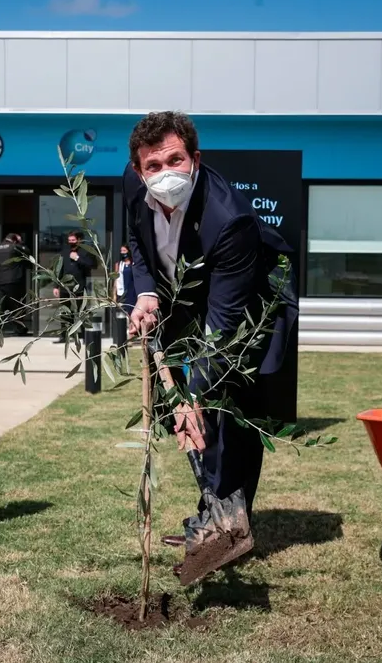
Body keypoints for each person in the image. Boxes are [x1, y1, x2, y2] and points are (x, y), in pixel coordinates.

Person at [122, 110, 299, 563]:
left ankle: (227, 526)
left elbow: (223, 322)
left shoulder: (228, 219)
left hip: (248, 306)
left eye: (175, 160)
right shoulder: (132, 184)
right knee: (192, 417)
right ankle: (213, 518)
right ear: (139, 170)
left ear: (195, 159)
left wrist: (194, 395)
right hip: (187, 302)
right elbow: (138, 243)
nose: (165, 173)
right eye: (153, 166)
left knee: (231, 410)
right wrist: (145, 292)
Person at [52, 230, 96, 343]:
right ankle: (65, 336)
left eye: (73, 240)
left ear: (79, 240)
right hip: (65, 287)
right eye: (69, 240)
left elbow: (92, 265)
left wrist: (77, 258)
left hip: (80, 287)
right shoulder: (65, 252)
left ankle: (85, 336)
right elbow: (60, 269)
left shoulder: (85, 251)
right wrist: (56, 286)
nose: (71, 242)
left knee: (82, 312)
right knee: (65, 312)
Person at [0, 232, 31, 336]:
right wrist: (21, 243)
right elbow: (28, 254)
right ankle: (20, 329)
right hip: (13, 282)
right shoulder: (15, 248)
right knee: (16, 306)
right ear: (15, 240)